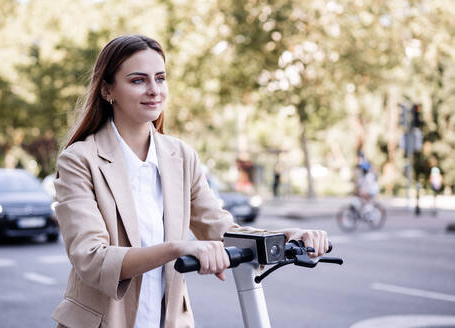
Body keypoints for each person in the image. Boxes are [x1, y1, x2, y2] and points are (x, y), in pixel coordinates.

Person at [51, 35, 329, 328]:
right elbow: (92, 260)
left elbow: (221, 230)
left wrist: (287, 235)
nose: (154, 90)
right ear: (108, 90)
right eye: (138, 80)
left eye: (160, 78)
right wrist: (177, 248)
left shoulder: (181, 156)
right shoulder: (79, 160)